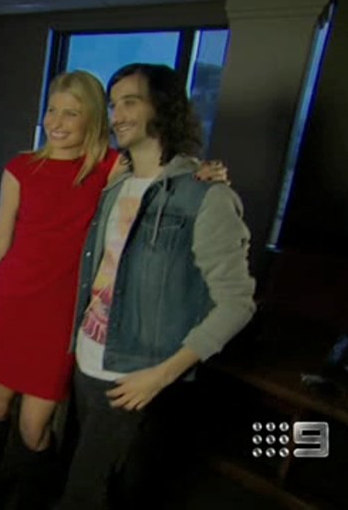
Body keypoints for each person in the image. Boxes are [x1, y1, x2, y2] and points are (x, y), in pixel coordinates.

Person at [56, 63, 255, 510]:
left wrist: (161, 375)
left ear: (163, 109)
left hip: (138, 377)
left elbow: (237, 304)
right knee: (90, 487)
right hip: (86, 362)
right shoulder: (114, 187)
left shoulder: (207, 196)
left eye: (130, 102)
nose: (117, 115)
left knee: (84, 497)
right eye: (113, 105)